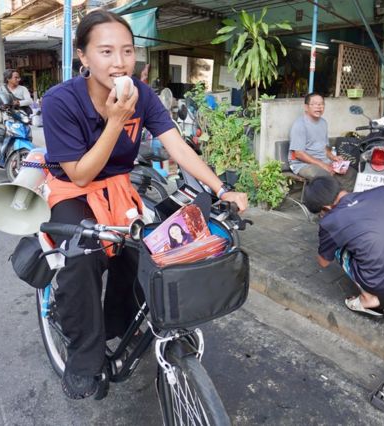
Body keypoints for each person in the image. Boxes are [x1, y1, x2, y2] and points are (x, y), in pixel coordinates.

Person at [41, 10, 248, 400]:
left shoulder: (143, 94)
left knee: (140, 255)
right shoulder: (60, 102)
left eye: (126, 51)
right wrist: (117, 120)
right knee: (83, 258)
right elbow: (81, 174)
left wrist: (221, 189)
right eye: (105, 51)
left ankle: (114, 325)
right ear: (83, 58)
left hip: (119, 190)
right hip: (73, 192)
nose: (118, 62)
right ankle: (84, 359)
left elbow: (177, 147)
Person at [302, 176, 384, 323]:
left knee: (338, 249)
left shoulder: (330, 221)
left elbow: (323, 262)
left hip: (379, 280)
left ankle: (368, 299)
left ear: (325, 208)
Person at [288, 92, 356, 191]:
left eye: (321, 104)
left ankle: (346, 202)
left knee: (350, 173)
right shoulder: (299, 125)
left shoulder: (323, 123)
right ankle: (328, 204)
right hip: (302, 165)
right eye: (315, 104)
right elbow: (298, 154)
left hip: (322, 161)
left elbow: (324, 148)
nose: (319, 107)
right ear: (306, 107)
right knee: (327, 177)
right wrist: (323, 165)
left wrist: (334, 157)